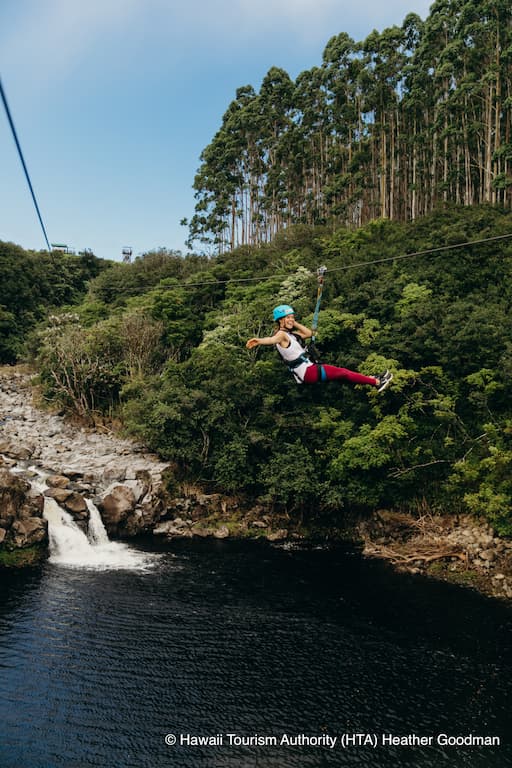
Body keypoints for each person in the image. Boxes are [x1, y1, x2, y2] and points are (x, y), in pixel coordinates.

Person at [246, 304, 393, 391]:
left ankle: (373, 380)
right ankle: (377, 382)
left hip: (309, 369)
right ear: (280, 321)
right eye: (288, 318)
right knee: (343, 372)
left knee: (343, 374)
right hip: (307, 372)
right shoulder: (281, 335)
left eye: (292, 317)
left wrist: (293, 322)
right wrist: (258, 341)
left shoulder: (292, 336)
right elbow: (272, 339)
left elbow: (309, 333)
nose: (291, 320)